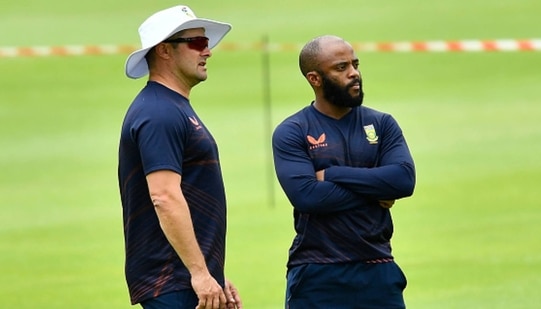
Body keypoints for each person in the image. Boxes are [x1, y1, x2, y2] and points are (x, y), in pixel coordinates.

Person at [271, 35, 416, 308]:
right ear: (315, 78)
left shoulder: (382, 124)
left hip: (378, 268)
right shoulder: (293, 131)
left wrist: (332, 174)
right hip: (317, 273)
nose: (354, 74)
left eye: (355, 64)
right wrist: (375, 189)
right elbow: (308, 197)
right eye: (341, 68)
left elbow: (403, 180)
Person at [118, 5, 242, 309]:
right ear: (164, 51)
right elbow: (164, 196)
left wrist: (214, 274)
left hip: (183, 277)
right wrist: (200, 273)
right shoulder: (159, 113)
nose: (208, 52)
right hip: (172, 280)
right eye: (198, 43)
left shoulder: (171, 107)